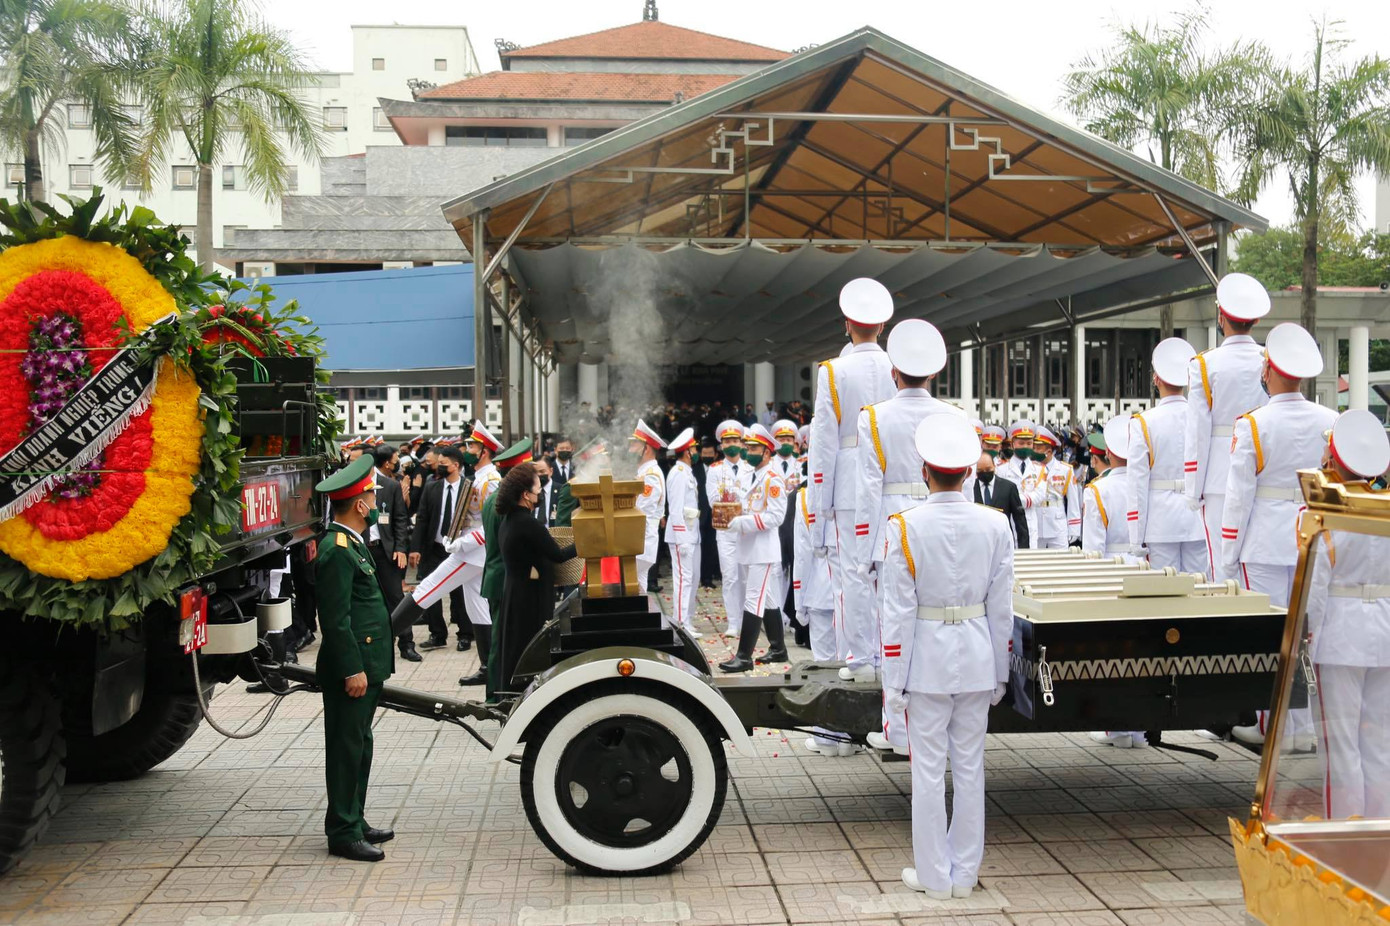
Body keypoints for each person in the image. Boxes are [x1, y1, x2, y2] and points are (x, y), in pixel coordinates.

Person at [880, 415, 1013, 898]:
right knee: (971, 770)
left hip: (927, 663)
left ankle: (935, 877)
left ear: (924, 472)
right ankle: (963, 874)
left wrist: (892, 682)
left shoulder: (905, 527)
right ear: (970, 473)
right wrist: (1001, 670)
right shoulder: (995, 523)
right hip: (977, 656)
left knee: (929, 773)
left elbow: (897, 612)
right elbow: (1004, 607)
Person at [1224, 323, 1336, 748]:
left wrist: (1229, 555)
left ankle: (1274, 728)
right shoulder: (1332, 420)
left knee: (1272, 639)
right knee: (1311, 634)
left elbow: (1238, 499)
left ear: (1268, 369)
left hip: (1266, 540)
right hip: (1313, 541)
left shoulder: (1253, 424)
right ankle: (1305, 731)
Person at [852, 318, 962, 752]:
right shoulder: (953, 416)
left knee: (893, 632)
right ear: (933, 372)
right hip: (940, 530)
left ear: (892, 371)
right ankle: (939, 727)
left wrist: (864, 551)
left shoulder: (875, 419)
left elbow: (867, 490)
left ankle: (897, 729)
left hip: (893, 530)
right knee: (938, 626)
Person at [808, 278, 896, 681]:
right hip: (891, 480)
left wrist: (817, 504)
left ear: (847, 324)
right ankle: (889, 656)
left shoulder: (834, 371)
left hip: (847, 482)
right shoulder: (898, 367)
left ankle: (861, 660)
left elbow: (823, 442)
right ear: (881, 326)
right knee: (891, 573)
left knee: (852, 578)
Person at [1305, 410, 1390, 818]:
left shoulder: (1328, 514)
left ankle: (1344, 833)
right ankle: (1379, 832)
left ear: (1334, 460)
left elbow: (1315, 589)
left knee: (1341, 748)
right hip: (1385, 634)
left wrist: (1305, 634)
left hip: (1339, 636)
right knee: (1380, 745)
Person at [313, 455, 396, 862]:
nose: (375, 500)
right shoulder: (336, 550)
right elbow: (335, 620)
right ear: (360, 505)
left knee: (360, 744)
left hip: (367, 664)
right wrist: (352, 668)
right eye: (371, 495)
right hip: (353, 669)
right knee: (346, 748)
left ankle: (355, 818)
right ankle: (343, 832)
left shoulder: (354, 544)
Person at [1184, 272, 1271, 580]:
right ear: (1256, 320)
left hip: (1219, 475)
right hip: (1265, 472)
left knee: (1221, 566)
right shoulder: (1269, 358)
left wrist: (1193, 490)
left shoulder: (1205, 365)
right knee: (1255, 562)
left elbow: (1197, 433)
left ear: (1220, 315)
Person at [495, 463, 578, 693]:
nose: (540, 493)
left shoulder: (509, 520)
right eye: (538, 489)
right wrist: (584, 542)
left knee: (514, 647)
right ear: (525, 495)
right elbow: (558, 555)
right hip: (529, 599)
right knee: (529, 648)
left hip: (515, 592)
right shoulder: (528, 523)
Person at [1129, 338, 1209, 576]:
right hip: (1197, 518)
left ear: (1156, 379)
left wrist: (1136, 536)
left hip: (1160, 522)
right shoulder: (1203, 417)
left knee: (1165, 595)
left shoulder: (1143, 423)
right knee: (1199, 589)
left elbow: (1137, 486)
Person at [718, 424, 789, 672]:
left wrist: (743, 521)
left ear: (767, 453)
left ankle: (744, 656)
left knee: (753, 598)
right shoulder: (751, 476)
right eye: (748, 447)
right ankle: (778, 648)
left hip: (763, 548)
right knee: (767, 597)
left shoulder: (773, 479)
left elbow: (776, 517)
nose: (749, 451)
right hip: (750, 545)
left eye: (755, 448)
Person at [793, 477, 851, 756]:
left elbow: (802, 554)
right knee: (848, 664)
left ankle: (827, 736)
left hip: (817, 589)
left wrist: (798, 600)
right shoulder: (854, 489)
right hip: (851, 591)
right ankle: (849, 735)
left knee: (823, 663)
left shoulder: (805, 498)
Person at [476, 439, 533, 695]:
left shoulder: (498, 498)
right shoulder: (507, 503)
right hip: (504, 577)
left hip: (497, 575)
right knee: (501, 640)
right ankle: (495, 694)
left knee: (503, 638)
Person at [407, 445, 470, 651]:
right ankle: (437, 634)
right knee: (430, 590)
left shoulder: (469, 488)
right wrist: (415, 548)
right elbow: (422, 519)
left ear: (456, 465)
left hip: (459, 549)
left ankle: (465, 634)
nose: (439, 468)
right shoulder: (431, 487)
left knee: (459, 594)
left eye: (444, 464)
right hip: (433, 548)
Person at [367, 445, 419, 663]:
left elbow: (400, 519)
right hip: (361, 550)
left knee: (396, 598)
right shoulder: (353, 486)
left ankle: (406, 643)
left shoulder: (390, 485)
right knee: (367, 599)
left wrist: (400, 548)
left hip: (385, 550)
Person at [707, 420, 751, 636]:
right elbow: (714, 502)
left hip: (746, 531)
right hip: (725, 532)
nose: (731, 444)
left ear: (742, 444)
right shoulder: (715, 470)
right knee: (730, 578)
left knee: (746, 577)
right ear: (721, 445)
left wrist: (734, 499)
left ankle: (748, 620)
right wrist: (738, 500)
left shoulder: (750, 468)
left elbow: (753, 500)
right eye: (727, 442)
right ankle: (734, 622)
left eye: (735, 440)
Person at [1082, 416, 1143, 565]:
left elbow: (1093, 549)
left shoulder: (1096, 490)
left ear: (1108, 453)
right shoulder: (1147, 486)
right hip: (1145, 564)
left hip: (1111, 565)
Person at [664, 428, 702, 637]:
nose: (696, 451)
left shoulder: (687, 472)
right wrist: (682, 538)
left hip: (691, 533)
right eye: (694, 448)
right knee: (683, 579)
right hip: (681, 536)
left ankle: (686, 619)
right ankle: (680, 623)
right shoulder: (678, 474)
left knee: (691, 578)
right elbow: (676, 508)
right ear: (687, 451)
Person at [630, 419, 668, 594]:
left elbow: (641, 511)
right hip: (640, 540)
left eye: (635, 445)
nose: (630, 449)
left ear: (647, 449)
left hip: (641, 539)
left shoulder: (650, 475)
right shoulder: (644, 472)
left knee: (634, 585)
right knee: (638, 586)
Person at [996, 421, 1046, 547]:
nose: (1025, 446)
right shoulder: (1001, 469)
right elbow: (1000, 496)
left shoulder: (1040, 469)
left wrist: (1014, 500)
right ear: (1013, 444)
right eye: (1021, 443)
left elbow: (1039, 496)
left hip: (1030, 522)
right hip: (1009, 521)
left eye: (1029, 443)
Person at [1032, 427, 1080, 549]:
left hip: (1057, 523)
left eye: (1039, 448)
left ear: (1049, 450)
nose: (1035, 451)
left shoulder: (1065, 469)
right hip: (1036, 521)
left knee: (1061, 561)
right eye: (1035, 447)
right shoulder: (1030, 468)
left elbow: (1073, 501)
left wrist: (1074, 528)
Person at [971, 452, 1029, 548]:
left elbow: (1020, 519)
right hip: (978, 543)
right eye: (980, 470)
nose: (985, 472)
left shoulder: (1008, 487)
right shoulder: (971, 488)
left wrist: (1024, 548)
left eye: (988, 469)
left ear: (994, 467)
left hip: (1003, 541)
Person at [695, 438, 719, 588]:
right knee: (699, 547)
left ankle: (708, 577)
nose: (707, 456)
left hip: (716, 515)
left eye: (710, 453)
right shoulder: (694, 470)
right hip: (699, 515)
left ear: (715, 454)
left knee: (712, 547)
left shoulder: (719, 469)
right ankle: (697, 575)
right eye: (705, 453)